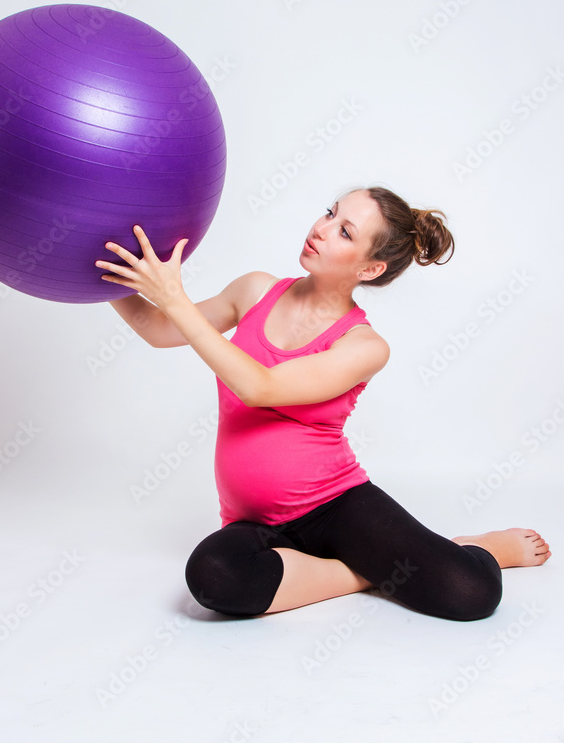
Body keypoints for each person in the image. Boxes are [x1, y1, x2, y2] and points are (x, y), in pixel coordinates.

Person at [95, 185, 551, 621]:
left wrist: (176, 298)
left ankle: (479, 547)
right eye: (331, 213)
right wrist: (87, 261)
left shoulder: (364, 346)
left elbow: (260, 387)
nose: (322, 228)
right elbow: (159, 329)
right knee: (216, 577)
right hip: (252, 519)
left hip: (336, 506)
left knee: (472, 592)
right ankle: (370, 571)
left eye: (345, 231)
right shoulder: (254, 291)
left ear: (369, 269)